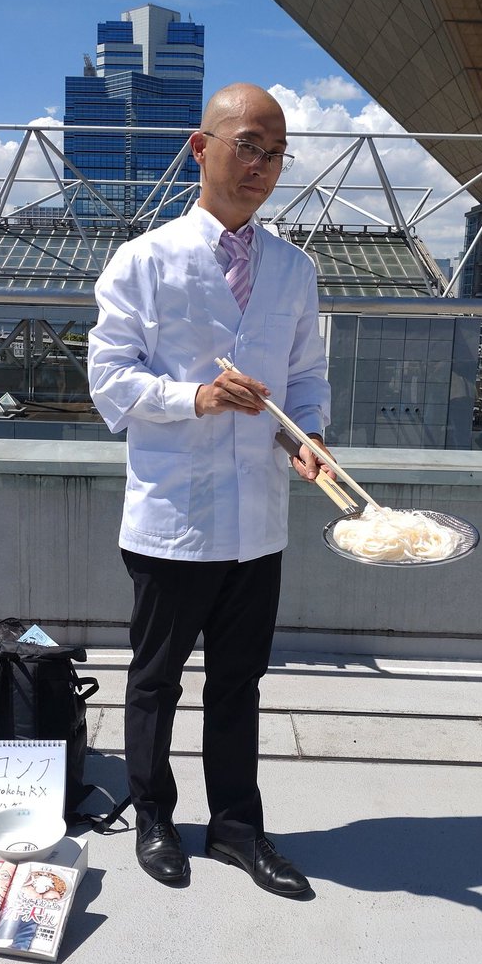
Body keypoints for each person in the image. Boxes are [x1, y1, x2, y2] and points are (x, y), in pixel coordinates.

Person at [88, 82, 334, 898]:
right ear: (202, 148)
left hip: (257, 519)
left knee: (239, 681)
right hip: (174, 513)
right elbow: (108, 379)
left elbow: (306, 376)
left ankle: (235, 826)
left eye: (276, 153)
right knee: (155, 677)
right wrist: (193, 397)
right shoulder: (144, 260)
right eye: (247, 146)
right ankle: (154, 815)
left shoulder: (294, 269)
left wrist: (307, 437)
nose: (262, 165)